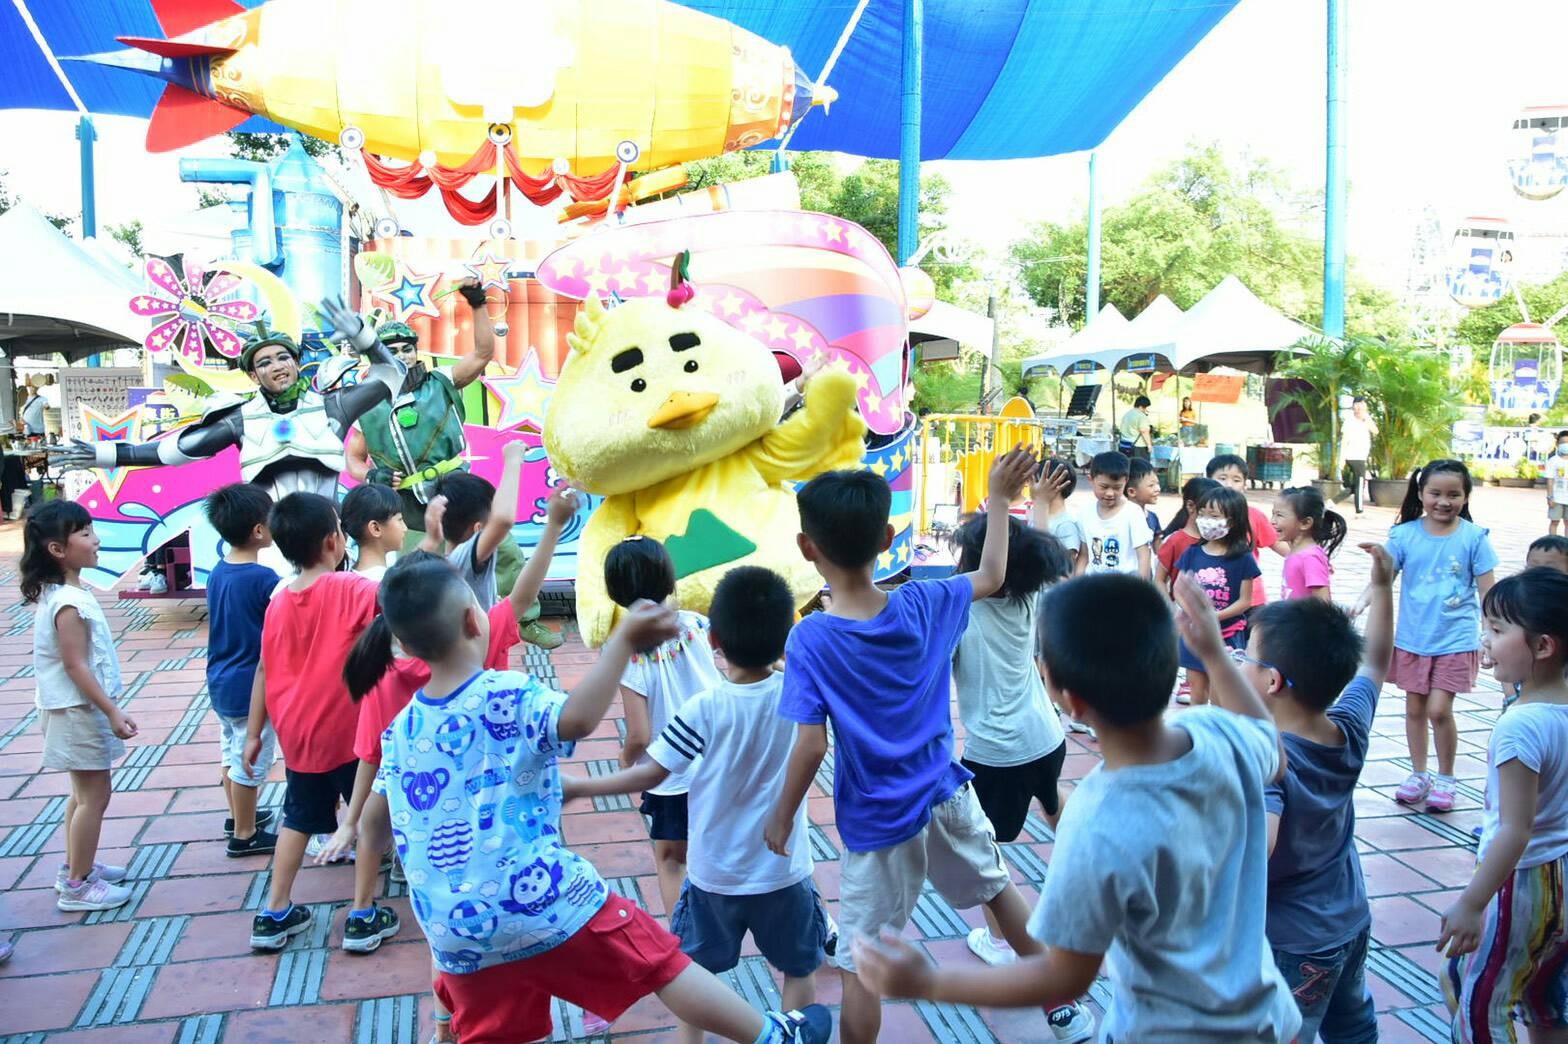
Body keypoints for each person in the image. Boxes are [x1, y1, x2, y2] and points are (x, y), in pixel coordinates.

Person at [359, 554, 834, 1044]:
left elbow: (373, 830)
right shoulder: (506, 693)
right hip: (543, 896)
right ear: (471, 619)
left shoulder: (399, 732)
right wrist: (623, 639)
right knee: (662, 962)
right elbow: (578, 721)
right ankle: (772, 1035)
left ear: (400, 642)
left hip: (454, 930)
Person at [852, 572, 1300, 1043]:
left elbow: (1066, 977)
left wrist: (929, 981)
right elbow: (1274, 751)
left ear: (1068, 699)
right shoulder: (1219, 733)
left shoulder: (1097, 818)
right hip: (1270, 1020)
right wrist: (1211, 653)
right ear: (1171, 665)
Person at [766, 452, 1096, 1044]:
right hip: (948, 791)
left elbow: (810, 746)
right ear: (888, 539)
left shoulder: (810, 638)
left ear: (805, 546)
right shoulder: (926, 602)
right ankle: (1063, 1006)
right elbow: (993, 573)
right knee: (997, 890)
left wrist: (782, 814)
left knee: (861, 964)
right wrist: (998, 495)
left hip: (878, 819)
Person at [563, 566, 832, 1044]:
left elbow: (651, 772)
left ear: (715, 643)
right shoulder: (799, 696)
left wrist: (583, 787)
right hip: (785, 871)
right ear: (785, 636)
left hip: (714, 876)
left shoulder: (705, 708)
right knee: (799, 969)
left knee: (691, 976)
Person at [1249, 544, 1394, 1042]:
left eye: (1243, 655)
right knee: (1352, 1023)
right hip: (1350, 917)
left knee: (1289, 1032)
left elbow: (1259, 850)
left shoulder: (1270, 764)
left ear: (1270, 681)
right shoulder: (1347, 725)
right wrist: (1382, 587)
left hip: (1296, 940)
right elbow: (1375, 662)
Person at [51, 305, 404, 501]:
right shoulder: (242, 419)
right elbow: (173, 451)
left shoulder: (332, 407)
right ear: (252, 375)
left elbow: (391, 373)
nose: (277, 367)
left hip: (330, 538)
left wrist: (363, 335)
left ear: (296, 363)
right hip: (271, 546)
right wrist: (105, 455)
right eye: (264, 363)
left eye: (283, 358)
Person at [243, 492, 387, 951]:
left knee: (298, 817)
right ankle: (363, 914)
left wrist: (252, 734)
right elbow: (402, 601)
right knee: (366, 818)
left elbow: (264, 668)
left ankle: (274, 912)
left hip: (297, 734)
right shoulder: (354, 588)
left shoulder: (280, 600)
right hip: (349, 732)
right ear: (333, 541)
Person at [1439, 568, 1568, 1042]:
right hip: (1563, 873)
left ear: (1543, 646)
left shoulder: (1520, 727)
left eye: (1496, 630)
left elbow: (1516, 829)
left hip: (1525, 883)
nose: (1485, 641)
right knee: (1544, 995)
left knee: (1478, 1000)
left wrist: (1472, 903)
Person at [948, 513, 1076, 970]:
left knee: (985, 848)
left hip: (998, 754)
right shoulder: (1029, 595)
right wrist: (1040, 505)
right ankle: (1087, 868)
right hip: (1047, 735)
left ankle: (999, 939)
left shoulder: (959, 611)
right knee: (1051, 796)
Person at [606, 535, 723, 970]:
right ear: (667, 577)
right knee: (718, 845)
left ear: (613, 587)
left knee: (671, 858)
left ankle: (683, 947)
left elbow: (639, 732)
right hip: (717, 758)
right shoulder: (693, 623)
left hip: (670, 774)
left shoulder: (625, 649)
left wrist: (625, 763)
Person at [23, 501, 137, 912]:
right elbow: (75, 665)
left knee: (82, 792)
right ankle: (77, 885)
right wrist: (110, 710)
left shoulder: (64, 593)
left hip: (70, 707)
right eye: (86, 534)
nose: (97, 540)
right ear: (57, 549)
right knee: (95, 796)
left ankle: (77, 864)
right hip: (76, 709)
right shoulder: (69, 603)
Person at [1373, 460, 1498, 814]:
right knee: (1414, 708)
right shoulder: (1404, 535)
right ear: (1421, 494)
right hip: (1414, 639)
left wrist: (1490, 634)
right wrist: (1362, 602)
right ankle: (1418, 774)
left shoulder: (1475, 538)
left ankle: (1446, 777)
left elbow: (1489, 593)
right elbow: (1384, 577)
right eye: (1435, 493)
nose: (1444, 501)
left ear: (1466, 496)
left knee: (1439, 710)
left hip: (1455, 640)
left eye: (1454, 494)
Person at [343, 282, 493, 527]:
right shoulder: (366, 404)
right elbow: (353, 459)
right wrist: (371, 476)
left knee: (485, 556)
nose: (401, 356)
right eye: (391, 351)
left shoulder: (441, 381)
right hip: (404, 505)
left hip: (455, 490)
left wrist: (477, 303)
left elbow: (483, 353)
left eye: (407, 349)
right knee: (417, 564)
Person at [202, 483, 281, 858]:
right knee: (249, 760)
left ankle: (237, 816)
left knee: (230, 751)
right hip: (251, 686)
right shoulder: (264, 581)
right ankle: (246, 835)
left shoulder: (218, 571)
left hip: (220, 680)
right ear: (259, 531)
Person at [1173, 486, 1260, 707]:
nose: (1205, 520)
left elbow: (1245, 601)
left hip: (1227, 635)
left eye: (1214, 516)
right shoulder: (1192, 553)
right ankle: (1198, 735)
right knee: (1196, 690)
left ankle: (1221, 735)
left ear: (1233, 520)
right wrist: (1193, 612)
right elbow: (1178, 588)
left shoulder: (1242, 558)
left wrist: (1213, 616)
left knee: (1220, 693)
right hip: (1194, 633)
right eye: (1202, 514)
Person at [425, 441, 526, 609]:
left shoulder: (437, 566)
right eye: (490, 521)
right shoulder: (463, 561)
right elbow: (503, 520)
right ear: (478, 529)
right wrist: (512, 461)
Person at [1207, 454, 1291, 606]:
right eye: (1222, 478)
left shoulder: (1254, 516)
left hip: (1251, 598)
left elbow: (1279, 544)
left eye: (1236, 480)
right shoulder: (1202, 519)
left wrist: (1308, 555)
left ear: (1244, 485)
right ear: (1208, 481)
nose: (1229, 485)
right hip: (1212, 597)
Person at [1076, 451, 1152, 580]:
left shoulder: (1132, 513)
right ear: (1091, 480)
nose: (1110, 493)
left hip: (1125, 586)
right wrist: (1075, 586)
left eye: (1117, 487)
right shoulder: (1085, 513)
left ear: (1126, 481)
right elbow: (1084, 554)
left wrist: (1141, 591)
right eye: (1104, 487)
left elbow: (1143, 555)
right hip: (1093, 585)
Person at [1273, 485, 1348, 602]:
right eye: (1273, 514)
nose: (1272, 521)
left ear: (1305, 523)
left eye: (1279, 515)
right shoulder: (1295, 552)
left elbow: (1323, 605)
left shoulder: (1310, 557)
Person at [1156, 477, 1222, 594]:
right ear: (1191, 506)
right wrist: (1170, 608)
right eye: (1211, 512)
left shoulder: (1221, 539)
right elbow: (1159, 580)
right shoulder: (1175, 540)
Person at [339, 482, 407, 580]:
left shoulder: (345, 579)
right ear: (375, 528)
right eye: (400, 520)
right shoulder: (384, 583)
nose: (405, 528)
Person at [1029, 458, 1082, 573]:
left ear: (1055, 486)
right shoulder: (1033, 512)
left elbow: (1065, 565)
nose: (1031, 485)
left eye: (1036, 481)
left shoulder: (1067, 524)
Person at [1340, 397, 1377, 516]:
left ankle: (1332, 502)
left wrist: (1365, 418)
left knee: (1355, 485)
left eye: (1362, 405)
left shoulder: (1367, 418)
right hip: (1353, 456)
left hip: (1362, 456)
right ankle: (1359, 511)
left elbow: (1375, 431)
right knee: (1360, 483)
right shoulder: (1349, 421)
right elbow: (1344, 441)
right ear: (1353, 406)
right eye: (1357, 405)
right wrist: (1341, 458)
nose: (1359, 407)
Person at [1126, 455, 1164, 555]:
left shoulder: (1152, 517)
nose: (1158, 489)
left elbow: (1159, 551)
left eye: (1157, 484)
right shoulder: (1122, 518)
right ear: (1131, 491)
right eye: (1151, 485)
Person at [1118, 394, 1154, 459]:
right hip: (1138, 446)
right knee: (1141, 467)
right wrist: (1149, 445)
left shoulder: (1127, 414)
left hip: (1125, 445)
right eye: (1146, 407)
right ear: (1142, 406)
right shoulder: (1141, 416)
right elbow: (1144, 431)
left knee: (1128, 466)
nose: (1146, 409)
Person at [1546, 429, 1568, 537]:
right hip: (1557, 499)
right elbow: (1550, 480)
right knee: (1554, 522)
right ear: (1557, 444)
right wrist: (1550, 497)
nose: (1566, 445)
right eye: (1563, 443)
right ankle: (1552, 543)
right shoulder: (1553, 461)